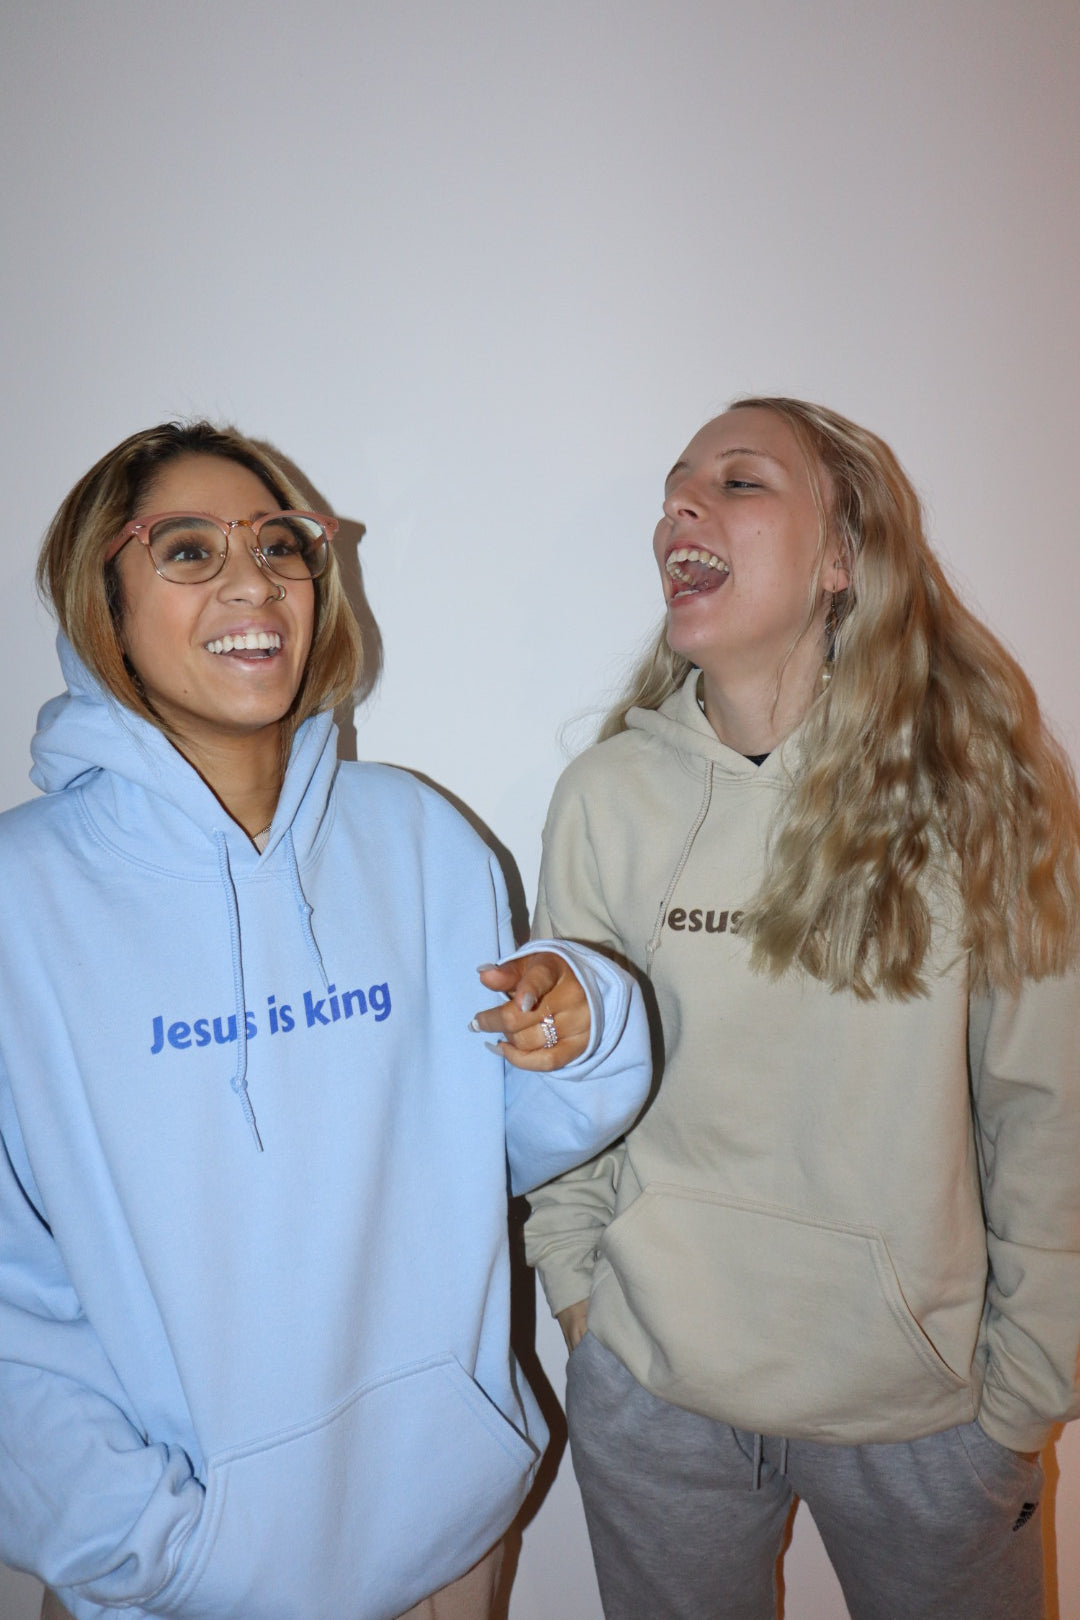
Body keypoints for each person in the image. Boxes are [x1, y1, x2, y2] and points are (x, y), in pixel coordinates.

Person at [0, 421, 651, 1620]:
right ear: (104, 599)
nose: (254, 582)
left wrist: (584, 1018)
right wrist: (148, 1541)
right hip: (175, 1583)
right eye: (188, 549)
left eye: (281, 546)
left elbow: (493, 1148)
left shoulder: (421, 841)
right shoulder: (21, 901)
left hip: (443, 1541)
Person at [524, 397, 1080, 1620]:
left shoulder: (979, 791)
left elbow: (1047, 1110)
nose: (680, 507)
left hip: (926, 1418)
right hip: (657, 1399)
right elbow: (567, 1095)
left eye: (738, 481)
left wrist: (1023, 1396)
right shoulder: (607, 797)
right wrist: (581, 1305)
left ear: (842, 557)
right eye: (675, 488)